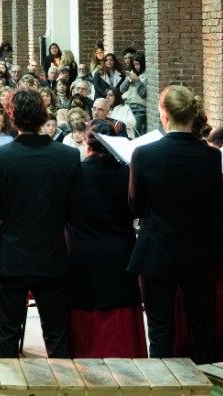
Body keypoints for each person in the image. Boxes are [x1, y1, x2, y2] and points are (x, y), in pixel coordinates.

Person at [0, 88, 81, 358]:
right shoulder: (67, 157)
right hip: (52, 255)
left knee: (7, 333)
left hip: (11, 256)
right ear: (43, 116)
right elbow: (75, 213)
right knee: (56, 335)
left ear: (11, 117)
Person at [128, 85, 220, 363]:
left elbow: (135, 206)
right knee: (203, 328)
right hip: (198, 250)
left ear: (163, 113)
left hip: (157, 249)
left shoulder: (144, 154)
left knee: (160, 330)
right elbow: (215, 204)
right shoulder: (211, 156)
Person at [66, 119, 146, 357]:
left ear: (87, 145)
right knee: (120, 328)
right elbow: (137, 210)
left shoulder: (75, 173)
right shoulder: (127, 173)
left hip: (81, 256)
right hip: (120, 253)